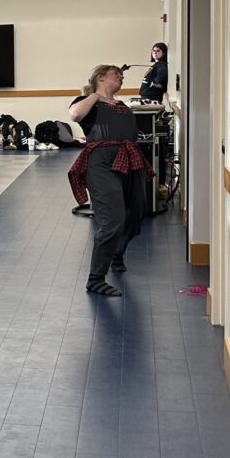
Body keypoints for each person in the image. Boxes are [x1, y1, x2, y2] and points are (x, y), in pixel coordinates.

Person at [68, 65, 152, 297]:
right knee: (112, 218)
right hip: (101, 163)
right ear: (102, 77)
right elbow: (74, 115)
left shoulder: (123, 105)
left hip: (128, 160)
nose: (122, 78)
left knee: (134, 213)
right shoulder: (87, 101)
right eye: (118, 74)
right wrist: (96, 95)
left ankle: (116, 251)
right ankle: (96, 278)